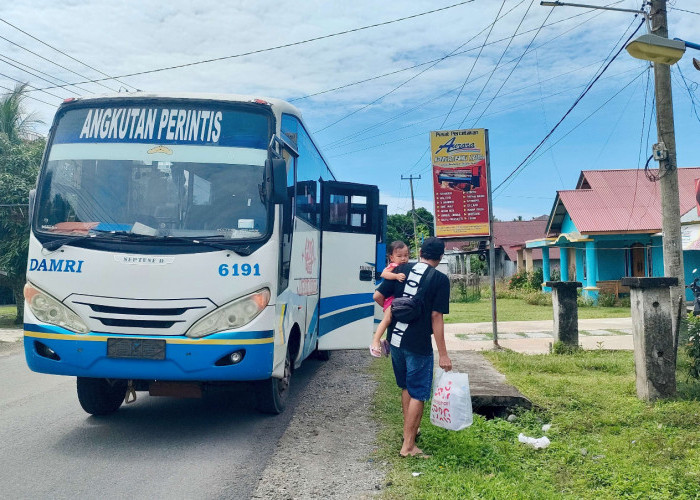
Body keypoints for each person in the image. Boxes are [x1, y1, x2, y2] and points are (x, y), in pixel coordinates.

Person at [373, 236, 452, 458]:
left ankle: (410, 432)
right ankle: (408, 446)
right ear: (440, 256)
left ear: (420, 252)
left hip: (395, 340)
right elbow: (436, 316)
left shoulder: (401, 269)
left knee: (407, 387)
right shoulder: (440, 279)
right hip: (418, 343)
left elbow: (378, 295)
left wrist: (392, 312)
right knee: (418, 392)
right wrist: (443, 355)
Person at [369, 241, 410, 357]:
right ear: (391, 258)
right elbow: (383, 274)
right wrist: (396, 276)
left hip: (393, 300)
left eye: (406, 255)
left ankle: (386, 342)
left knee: (392, 321)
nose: (403, 258)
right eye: (399, 256)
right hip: (390, 299)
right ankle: (375, 341)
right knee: (387, 319)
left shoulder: (403, 267)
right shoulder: (393, 266)